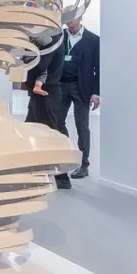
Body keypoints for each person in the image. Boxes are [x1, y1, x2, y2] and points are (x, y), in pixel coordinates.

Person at [24, 29, 71, 190]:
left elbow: (41, 65)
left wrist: (29, 57)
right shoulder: (54, 38)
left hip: (47, 94)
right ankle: (31, 171)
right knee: (28, 131)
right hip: (41, 94)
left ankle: (62, 176)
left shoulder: (53, 40)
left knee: (52, 135)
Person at [58, 18, 100, 178]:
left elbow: (98, 68)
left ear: (80, 18)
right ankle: (66, 155)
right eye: (68, 22)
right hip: (61, 86)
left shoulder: (93, 40)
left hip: (82, 88)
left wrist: (96, 93)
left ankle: (84, 165)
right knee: (57, 122)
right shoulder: (60, 37)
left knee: (82, 126)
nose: (71, 26)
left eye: (73, 22)